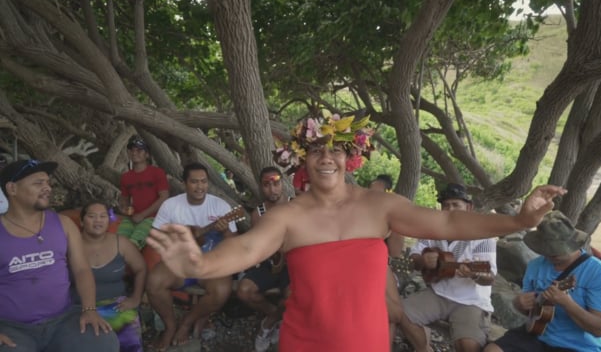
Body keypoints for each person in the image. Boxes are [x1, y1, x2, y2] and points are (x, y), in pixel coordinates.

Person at [146, 113, 567, 352]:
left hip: (366, 342)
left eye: (336, 149)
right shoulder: (289, 215)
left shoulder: (379, 206)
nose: (325, 157)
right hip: (303, 342)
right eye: (315, 150)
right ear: (301, 160)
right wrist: (200, 262)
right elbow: (247, 248)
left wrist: (518, 222)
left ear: (352, 157)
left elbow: (449, 223)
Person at [0, 159, 118, 351]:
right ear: (12, 188)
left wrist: (89, 309)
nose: (47, 188)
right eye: (38, 183)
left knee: (103, 342)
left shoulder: (63, 224)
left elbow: (81, 269)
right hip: (12, 328)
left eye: (48, 183)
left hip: (63, 321)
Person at [484, 211, 601, 352]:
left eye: (555, 250)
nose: (549, 254)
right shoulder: (535, 265)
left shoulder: (600, 274)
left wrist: (567, 304)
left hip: (578, 346)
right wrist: (519, 304)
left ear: (572, 243)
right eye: (546, 249)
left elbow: (600, 328)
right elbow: (532, 313)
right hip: (536, 336)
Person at [146, 162, 238, 350]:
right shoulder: (171, 205)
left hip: (212, 264)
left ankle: (187, 322)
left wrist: (226, 231)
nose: (200, 186)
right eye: (194, 182)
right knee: (154, 282)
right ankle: (170, 326)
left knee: (221, 291)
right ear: (184, 183)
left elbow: (234, 244)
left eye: (203, 182)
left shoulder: (220, 206)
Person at [399, 183, 497, 352]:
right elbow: (413, 259)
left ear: (469, 207)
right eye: (446, 205)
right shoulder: (432, 229)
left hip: (470, 301)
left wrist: (473, 274)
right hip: (437, 294)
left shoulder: (483, 235)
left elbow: (489, 278)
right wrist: (423, 261)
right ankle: (423, 348)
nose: (450, 209)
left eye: (456, 205)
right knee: (398, 314)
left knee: (468, 345)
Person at [79, 201, 147, 352]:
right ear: (82, 221)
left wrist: (135, 298)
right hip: (79, 308)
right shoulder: (71, 244)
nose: (98, 220)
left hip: (115, 306)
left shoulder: (121, 243)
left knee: (130, 341)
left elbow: (141, 269)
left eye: (103, 216)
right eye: (92, 216)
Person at [236, 166, 291, 352]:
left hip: (293, 265)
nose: (272, 189)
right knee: (244, 291)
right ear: (261, 187)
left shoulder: (296, 205)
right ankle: (275, 318)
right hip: (269, 264)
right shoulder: (258, 213)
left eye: (276, 183)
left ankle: (268, 323)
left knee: (293, 297)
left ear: (282, 182)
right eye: (267, 185)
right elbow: (256, 245)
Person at [368, 174, 406, 348]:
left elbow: (396, 253)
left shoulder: (393, 220)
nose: (372, 199)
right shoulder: (356, 214)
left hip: (384, 269)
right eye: (370, 193)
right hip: (358, 270)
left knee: (391, 315)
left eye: (378, 195)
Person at [117, 135, 169, 249]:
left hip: (154, 218)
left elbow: (164, 197)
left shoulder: (158, 172)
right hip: (133, 217)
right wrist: (124, 208)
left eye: (139, 150)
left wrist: (142, 215)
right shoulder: (126, 177)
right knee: (117, 243)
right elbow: (124, 199)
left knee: (133, 244)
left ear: (147, 154)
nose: (134, 153)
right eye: (132, 150)